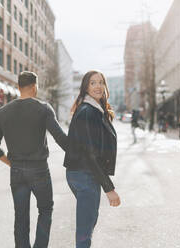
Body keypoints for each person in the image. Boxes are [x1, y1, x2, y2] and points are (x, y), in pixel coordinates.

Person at [0, 71, 67, 248]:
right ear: (34, 86)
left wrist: (10, 162)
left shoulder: (2, 112)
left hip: (16, 171)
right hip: (39, 169)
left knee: (20, 216)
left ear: (18, 87)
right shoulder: (44, 108)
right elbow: (61, 139)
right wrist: (80, 153)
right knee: (45, 210)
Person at [64, 70, 121, 248]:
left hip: (84, 173)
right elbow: (90, 154)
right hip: (84, 174)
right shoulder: (88, 111)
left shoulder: (95, 110)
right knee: (85, 229)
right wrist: (109, 188)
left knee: (89, 221)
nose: (98, 86)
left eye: (100, 82)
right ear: (86, 87)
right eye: (93, 83)